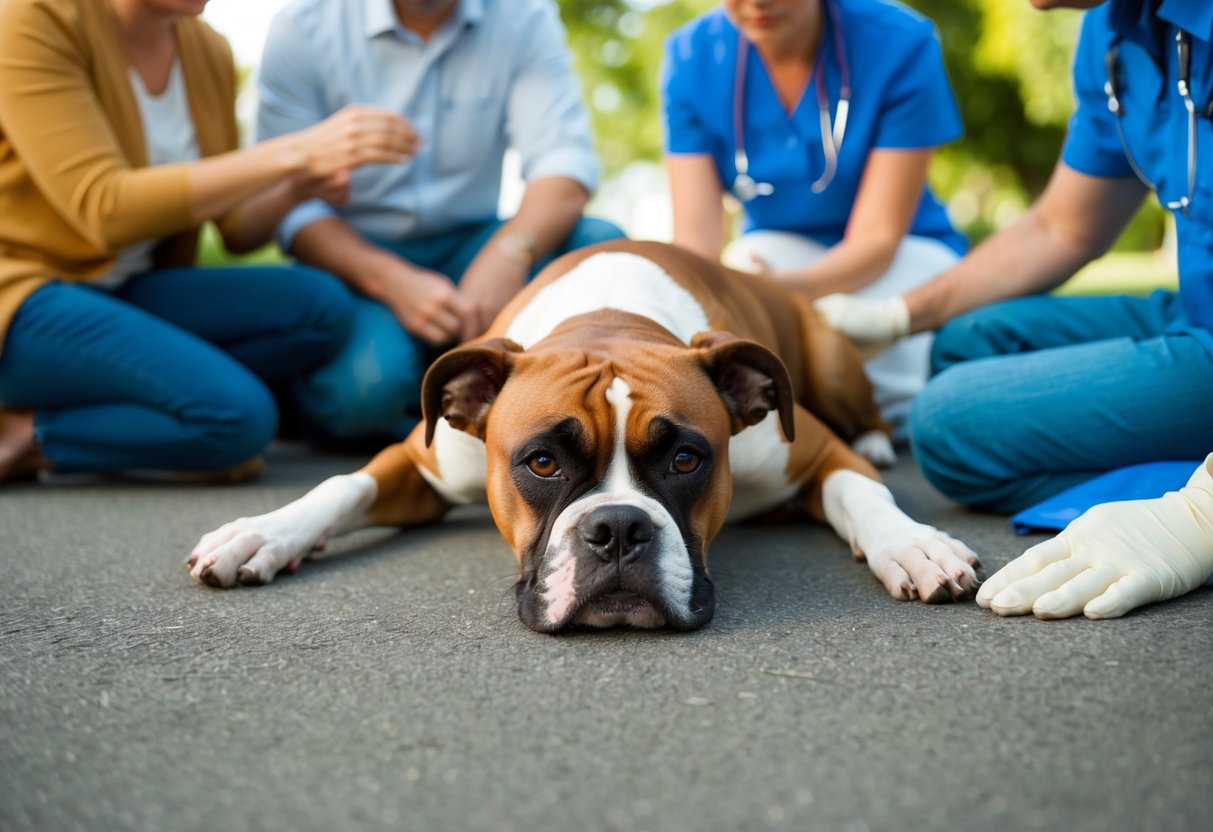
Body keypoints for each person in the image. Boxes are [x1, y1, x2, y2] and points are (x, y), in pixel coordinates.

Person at [814, 0, 1213, 618]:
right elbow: (1061, 226)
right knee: (963, 342)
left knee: (951, 424)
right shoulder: (1112, 29)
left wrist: (1202, 515)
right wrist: (895, 315)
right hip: (1193, 308)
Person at [0, 0, 417, 485]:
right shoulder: (31, 19)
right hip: (24, 298)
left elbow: (236, 230)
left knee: (320, 305)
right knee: (236, 419)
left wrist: (301, 185)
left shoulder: (206, 47)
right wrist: (299, 150)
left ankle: (144, 399)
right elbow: (103, 208)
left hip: (126, 288)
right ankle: (24, 432)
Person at [255, 0, 626, 447]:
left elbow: (563, 162)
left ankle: (576, 417)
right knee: (364, 398)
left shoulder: (525, 16)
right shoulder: (303, 27)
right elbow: (288, 204)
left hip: (474, 241)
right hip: (353, 258)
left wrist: (509, 252)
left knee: (601, 246)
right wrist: (388, 279)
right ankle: (450, 413)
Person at [661, 0, 966, 436]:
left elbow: (878, 237)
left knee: (885, 379)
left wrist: (775, 297)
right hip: (777, 255)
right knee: (747, 261)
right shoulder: (690, 57)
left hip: (899, 254)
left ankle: (853, 418)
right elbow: (695, 244)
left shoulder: (901, 40)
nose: (756, 3)